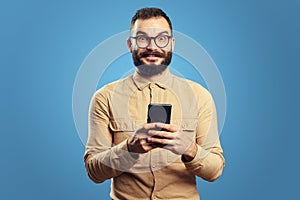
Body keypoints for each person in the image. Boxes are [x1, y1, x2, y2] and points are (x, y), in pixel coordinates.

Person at [84, 7, 225, 200]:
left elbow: (215, 170)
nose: (152, 47)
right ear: (130, 45)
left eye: (161, 38)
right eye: (142, 38)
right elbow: (94, 172)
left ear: (172, 44)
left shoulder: (200, 96)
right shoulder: (104, 97)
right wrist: (128, 149)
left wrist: (189, 149)